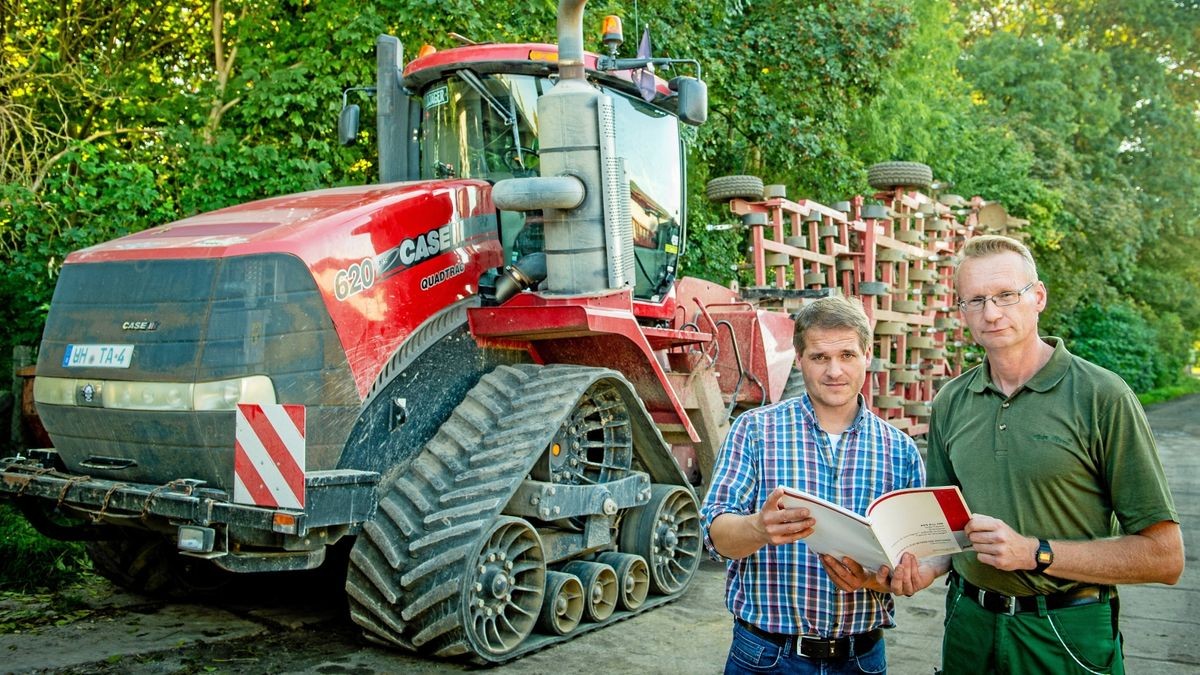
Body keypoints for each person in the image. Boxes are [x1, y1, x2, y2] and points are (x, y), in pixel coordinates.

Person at [922, 234, 1184, 674]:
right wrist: (913, 569)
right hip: (969, 626)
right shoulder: (950, 401)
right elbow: (945, 535)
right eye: (975, 300)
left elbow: (1165, 557)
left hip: (1064, 631)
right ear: (961, 310)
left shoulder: (1102, 396)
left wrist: (1036, 552)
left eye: (1006, 295)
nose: (991, 312)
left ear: (1038, 297)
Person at [701, 295, 926, 674]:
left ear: (867, 356)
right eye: (820, 357)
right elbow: (715, 535)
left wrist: (878, 578)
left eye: (847, 356)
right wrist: (757, 528)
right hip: (766, 657)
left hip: (861, 660)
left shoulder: (900, 451)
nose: (834, 371)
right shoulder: (755, 431)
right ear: (799, 358)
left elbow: (913, 564)